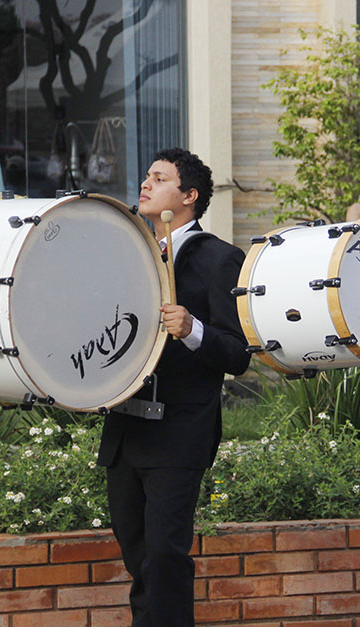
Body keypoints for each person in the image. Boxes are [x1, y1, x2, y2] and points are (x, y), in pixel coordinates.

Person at [98, 148, 250, 626]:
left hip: (179, 432)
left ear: (188, 196)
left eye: (159, 178)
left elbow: (238, 354)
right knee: (137, 556)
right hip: (126, 430)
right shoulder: (130, 251)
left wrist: (193, 329)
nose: (145, 184)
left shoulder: (221, 259)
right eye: (146, 175)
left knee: (165, 556)